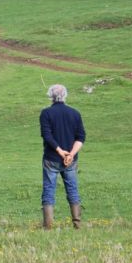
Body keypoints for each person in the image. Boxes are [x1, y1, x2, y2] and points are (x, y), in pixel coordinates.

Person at [39, 84, 86, 230]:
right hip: (70, 161)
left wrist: (60, 151)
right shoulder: (75, 113)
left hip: (51, 158)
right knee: (72, 189)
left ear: (50, 96)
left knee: (49, 189)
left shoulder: (46, 113)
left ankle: (48, 226)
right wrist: (71, 154)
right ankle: (77, 224)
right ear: (65, 95)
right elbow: (81, 137)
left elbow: (47, 135)